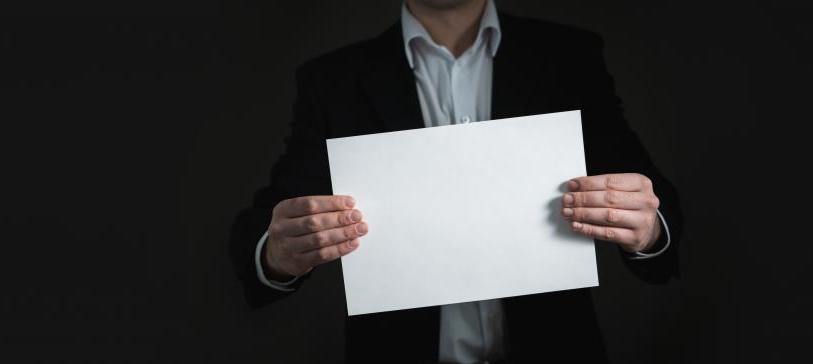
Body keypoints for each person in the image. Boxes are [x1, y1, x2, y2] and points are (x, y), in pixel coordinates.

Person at [230, 0, 683, 362]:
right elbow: (264, 231)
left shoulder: (570, 56)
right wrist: (276, 251)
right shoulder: (331, 81)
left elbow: (661, 215)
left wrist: (646, 227)